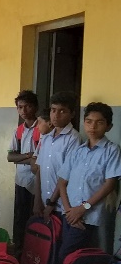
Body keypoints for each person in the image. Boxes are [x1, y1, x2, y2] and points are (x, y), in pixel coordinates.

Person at [56, 102, 121, 263]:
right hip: (70, 214)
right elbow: (62, 181)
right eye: (89, 121)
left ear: (109, 126)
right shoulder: (78, 151)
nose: (93, 126)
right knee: (70, 257)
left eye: (99, 122)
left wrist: (82, 209)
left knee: (69, 256)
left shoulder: (112, 150)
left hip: (89, 216)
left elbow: (109, 184)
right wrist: (69, 210)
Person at [34, 91, 81, 221]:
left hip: (61, 206)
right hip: (43, 202)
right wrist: (37, 200)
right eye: (53, 110)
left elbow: (66, 175)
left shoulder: (73, 139)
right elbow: (39, 170)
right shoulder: (46, 137)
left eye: (62, 111)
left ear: (72, 114)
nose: (56, 115)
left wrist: (51, 203)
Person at [7, 90, 40, 244]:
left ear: (35, 107)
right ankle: (19, 249)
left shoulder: (42, 128)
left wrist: (21, 158)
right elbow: (10, 157)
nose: (24, 111)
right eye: (20, 107)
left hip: (38, 181)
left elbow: (41, 160)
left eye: (28, 106)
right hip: (21, 181)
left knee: (35, 217)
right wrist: (29, 156)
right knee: (20, 218)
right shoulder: (19, 130)